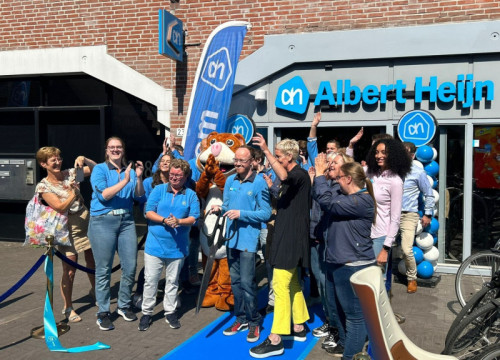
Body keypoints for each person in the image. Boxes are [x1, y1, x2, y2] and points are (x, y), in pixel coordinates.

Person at [250, 134, 311, 359]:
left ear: (288, 156)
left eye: (277, 156)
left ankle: (276, 338)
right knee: (293, 282)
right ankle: (299, 326)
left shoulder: (298, 174)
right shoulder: (295, 177)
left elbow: (284, 175)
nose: (273, 159)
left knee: (280, 284)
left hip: (291, 239)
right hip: (286, 236)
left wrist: (265, 149)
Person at [313, 159, 376, 359]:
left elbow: (327, 202)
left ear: (348, 179)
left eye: (339, 178)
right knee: (338, 310)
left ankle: (351, 356)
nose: (336, 182)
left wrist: (320, 176)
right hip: (337, 263)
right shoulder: (345, 195)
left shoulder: (362, 201)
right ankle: (344, 345)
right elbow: (328, 196)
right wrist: (326, 176)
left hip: (353, 265)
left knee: (355, 317)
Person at [214, 145, 271, 343]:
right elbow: (228, 207)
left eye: (242, 161)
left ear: (252, 162)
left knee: (248, 284)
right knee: (236, 283)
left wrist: (242, 214)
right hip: (231, 240)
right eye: (236, 160)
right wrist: (218, 209)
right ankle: (241, 318)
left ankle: (254, 322)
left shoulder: (259, 183)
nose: (237, 164)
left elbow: (265, 213)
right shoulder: (230, 180)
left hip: (248, 241)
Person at [88, 136, 145, 331]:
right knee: (103, 269)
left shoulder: (129, 169)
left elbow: (138, 195)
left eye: (118, 147)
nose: (115, 150)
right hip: (103, 221)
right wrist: (125, 180)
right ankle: (103, 312)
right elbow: (104, 195)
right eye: (111, 147)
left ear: (123, 149)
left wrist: (137, 177)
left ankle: (123, 305)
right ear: (106, 150)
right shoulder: (100, 170)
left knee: (130, 266)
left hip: (127, 221)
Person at [35, 147, 96, 323]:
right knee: (70, 270)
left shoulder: (71, 173)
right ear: (43, 164)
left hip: (85, 220)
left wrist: (83, 157)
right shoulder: (43, 186)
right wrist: (74, 192)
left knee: (91, 260)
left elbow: (96, 169)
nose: (57, 162)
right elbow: (60, 207)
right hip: (67, 227)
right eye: (52, 160)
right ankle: (68, 307)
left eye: (59, 158)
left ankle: (95, 291)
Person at [138, 159, 200, 331]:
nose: (174, 177)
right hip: (154, 246)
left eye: (178, 175)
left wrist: (179, 221)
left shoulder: (191, 195)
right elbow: (148, 212)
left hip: (178, 247)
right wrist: (165, 220)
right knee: (151, 280)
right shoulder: (158, 190)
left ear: (185, 176)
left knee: (172, 281)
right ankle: (147, 313)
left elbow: (194, 217)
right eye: (172, 174)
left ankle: (170, 311)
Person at [309, 151, 354, 353]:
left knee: (336, 292)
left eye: (335, 161)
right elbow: (316, 199)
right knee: (324, 286)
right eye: (329, 161)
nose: (329, 164)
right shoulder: (328, 182)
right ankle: (333, 324)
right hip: (322, 241)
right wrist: (316, 179)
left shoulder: (343, 188)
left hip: (338, 248)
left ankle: (340, 332)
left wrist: (319, 176)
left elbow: (327, 203)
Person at [365, 138, 411, 293]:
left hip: (380, 236)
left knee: (378, 280)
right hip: (364, 233)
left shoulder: (395, 181)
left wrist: (386, 248)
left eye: (384, 152)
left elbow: (395, 218)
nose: (379, 155)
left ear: (393, 155)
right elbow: (351, 171)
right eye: (376, 152)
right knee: (365, 279)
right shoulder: (370, 173)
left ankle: (382, 316)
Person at [400, 142, 435, 293]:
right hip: (389, 214)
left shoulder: (418, 172)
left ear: (413, 155)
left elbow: (428, 193)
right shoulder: (390, 170)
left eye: (405, 153)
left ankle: (411, 278)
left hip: (408, 214)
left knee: (406, 249)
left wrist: (427, 214)